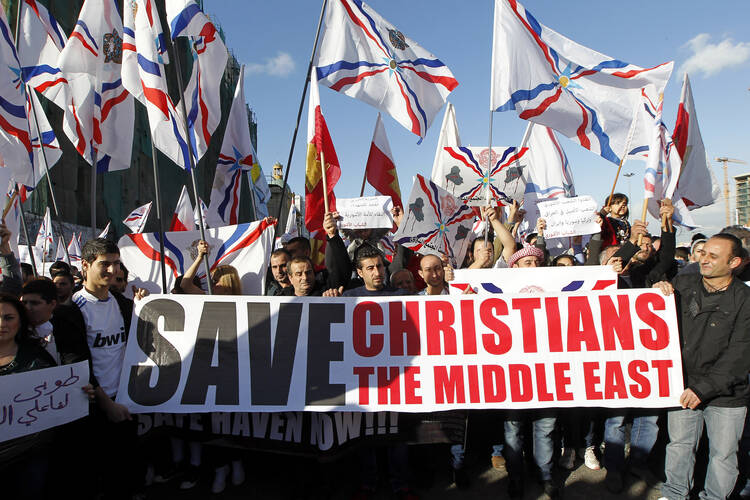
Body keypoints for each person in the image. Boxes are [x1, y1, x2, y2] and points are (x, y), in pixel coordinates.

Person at [654, 233, 750, 500]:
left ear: (734, 262)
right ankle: (674, 494)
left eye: (713, 256)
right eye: (703, 253)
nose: (704, 260)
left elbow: (740, 355)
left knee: (723, 454)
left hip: (727, 394)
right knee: (680, 446)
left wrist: (702, 388)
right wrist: (658, 294)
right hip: (683, 386)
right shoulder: (683, 283)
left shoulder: (745, 299)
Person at [73, 238, 147, 499]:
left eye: (116, 264)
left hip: (124, 400)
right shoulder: (72, 310)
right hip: (92, 406)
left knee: (124, 469)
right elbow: (77, 363)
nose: (113, 271)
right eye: (105, 264)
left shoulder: (123, 304)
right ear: (85, 265)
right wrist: (106, 403)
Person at [0, 293, 57, 499]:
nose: (2, 324)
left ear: (20, 321)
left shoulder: (36, 355)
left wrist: (79, 391)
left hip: (30, 456)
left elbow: (58, 391)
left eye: (9, 317)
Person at [21, 278, 88, 366]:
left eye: (35, 303)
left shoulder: (67, 330)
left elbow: (75, 363)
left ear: (52, 304)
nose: (28, 307)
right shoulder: (17, 330)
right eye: (24, 303)